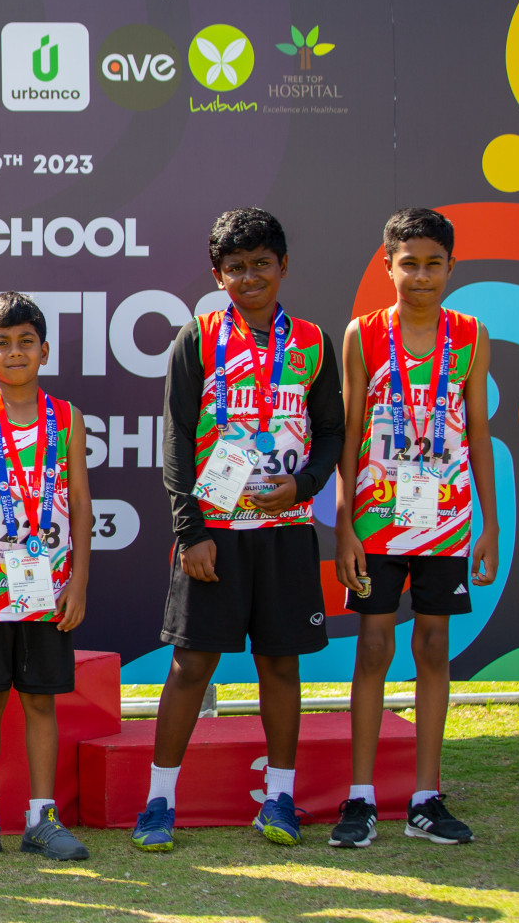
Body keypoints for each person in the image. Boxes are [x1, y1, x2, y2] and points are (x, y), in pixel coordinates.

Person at [136, 208, 344, 852]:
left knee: (280, 664)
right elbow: (174, 440)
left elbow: (333, 430)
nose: (248, 277)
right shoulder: (195, 337)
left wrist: (304, 485)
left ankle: (280, 798)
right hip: (215, 531)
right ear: (218, 275)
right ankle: (158, 802)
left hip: (284, 526)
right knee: (191, 663)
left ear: (283, 266)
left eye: (260, 264)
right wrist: (190, 530)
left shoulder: (311, 339)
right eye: (235, 268)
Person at [331, 208, 499, 848]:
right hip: (376, 523)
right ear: (387, 265)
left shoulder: (471, 333)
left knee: (433, 648)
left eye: (433, 265)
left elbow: (479, 431)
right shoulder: (363, 334)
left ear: (452, 267)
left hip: (448, 523)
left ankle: (427, 794)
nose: (421, 276)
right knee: (373, 648)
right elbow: (349, 433)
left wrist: (487, 523)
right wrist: (345, 526)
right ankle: (361, 796)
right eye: (409, 264)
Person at [0, 292, 91, 862]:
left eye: (25, 342)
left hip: (50, 588)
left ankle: (42, 816)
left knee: (40, 703)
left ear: (45, 350)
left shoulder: (67, 417)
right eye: (1, 343)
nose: (14, 352)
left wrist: (78, 582)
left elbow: (79, 500)